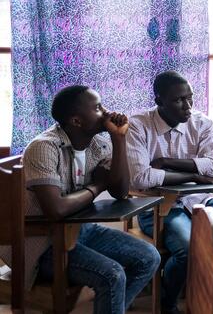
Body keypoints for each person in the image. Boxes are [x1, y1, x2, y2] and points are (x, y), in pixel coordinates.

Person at [0, 85, 160, 314]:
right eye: (97, 107)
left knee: (148, 257)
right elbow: (56, 209)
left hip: (76, 230)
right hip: (39, 243)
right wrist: (97, 186)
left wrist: (119, 139)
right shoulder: (43, 147)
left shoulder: (97, 145)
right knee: (112, 274)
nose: (106, 113)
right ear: (76, 121)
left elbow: (120, 191)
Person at [126, 71, 213, 314]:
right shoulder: (138, 125)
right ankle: (167, 302)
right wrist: (193, 175)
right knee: (188, 249)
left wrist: (167, 161)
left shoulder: (203, 124)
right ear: (159, 101)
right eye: (179, 100)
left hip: (202, 200)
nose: (188, 106)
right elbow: (142, 177)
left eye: (190, 98)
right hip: (158, 207)